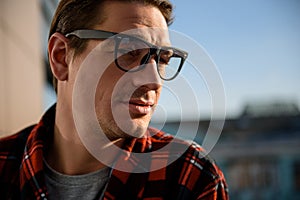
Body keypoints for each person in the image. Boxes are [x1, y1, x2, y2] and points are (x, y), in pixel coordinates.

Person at [0, 0, 228, 199]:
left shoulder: (190, 177)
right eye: (129, 51)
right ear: (61, 57)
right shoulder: (4, 164)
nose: (154, 81)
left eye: (162, 59)